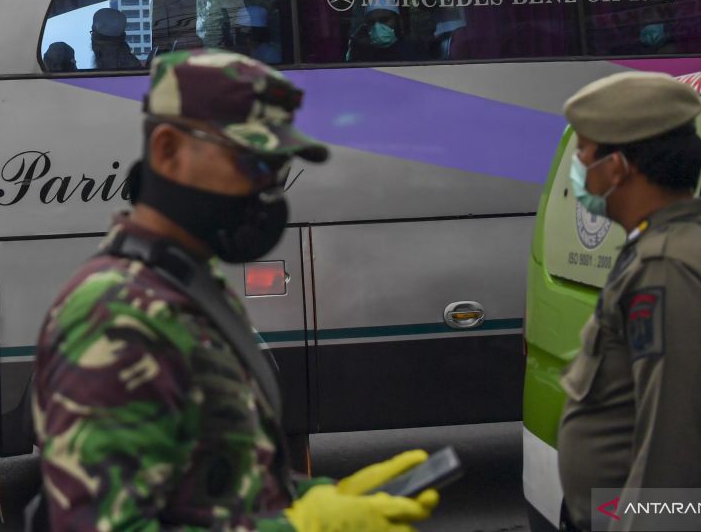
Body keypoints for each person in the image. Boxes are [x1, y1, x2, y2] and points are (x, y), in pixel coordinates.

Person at [31, 50, 439, 531]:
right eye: (252, 163)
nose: (268, 193)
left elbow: (214, 479)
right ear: (167, 150)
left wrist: (313, 497)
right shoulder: (113, 314)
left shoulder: (183, 284)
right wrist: (301, 529)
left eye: (277, 171)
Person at [556, 72, 701, 531]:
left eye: (584, 152)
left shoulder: (669, 267)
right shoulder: (676, 246)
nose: (578, 166)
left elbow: (671, 451)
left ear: (617, 167)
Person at [345, 1, 425, 63]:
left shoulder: (412, 49)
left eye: (384, 20)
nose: (377, 27)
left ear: (398, 21)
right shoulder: (361, 52)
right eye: (371, 22)